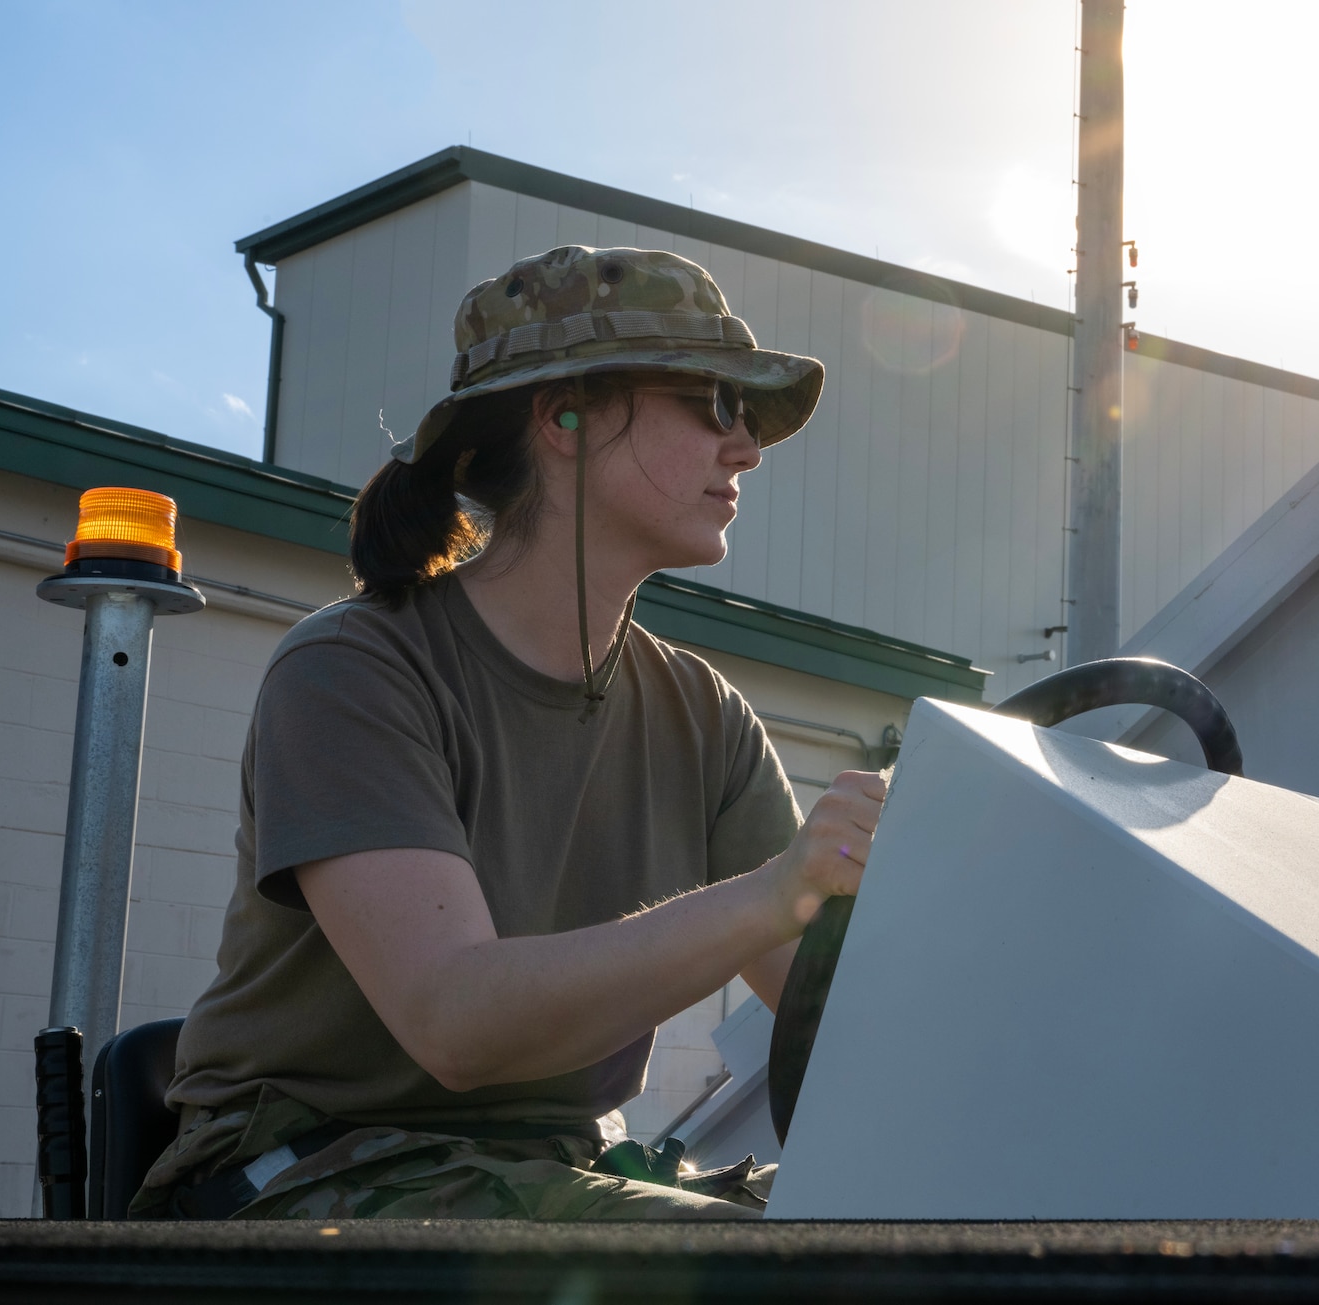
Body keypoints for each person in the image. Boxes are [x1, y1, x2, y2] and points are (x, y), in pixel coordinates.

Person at [134, 246, 885, 1220]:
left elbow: (839, 1025)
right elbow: (457, 1023)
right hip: (309, 1176)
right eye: (713, 402)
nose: (744, 447)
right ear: (563, 418)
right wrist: (777, 892)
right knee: (786, 1274)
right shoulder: (353, 672)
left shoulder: (705, 717)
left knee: (934, 1226)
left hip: (555, 1169)